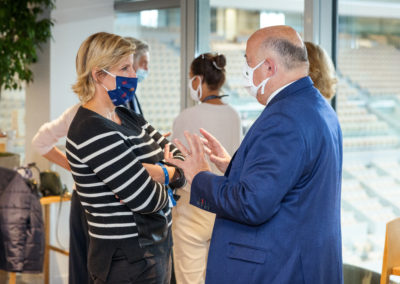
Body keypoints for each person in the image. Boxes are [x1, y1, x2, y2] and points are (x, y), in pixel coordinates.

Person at [166, 25, 343, 284]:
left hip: (281, 266)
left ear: (269, 67)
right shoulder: (316, 106)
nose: (245, 74)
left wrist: (200, 175)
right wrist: (233, 166)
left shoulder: (285, 118)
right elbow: (289, 180)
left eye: (249, 64)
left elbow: (252, 204)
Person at [31, 36, 153, 284]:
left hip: (130, 212)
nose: (136, 74)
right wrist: (78, 167)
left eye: (133, 66)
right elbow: (40, 142)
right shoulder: (81, 116)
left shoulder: (123, 110)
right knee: (90, 267)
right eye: (126, 67)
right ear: (99, 74)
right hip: (94, 205)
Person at [171, 53, 241, 284]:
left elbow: (175, 163)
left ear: (197, 80)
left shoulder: (186, 116)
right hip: (224, 207)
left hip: (192, 208)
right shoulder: (234, 115)